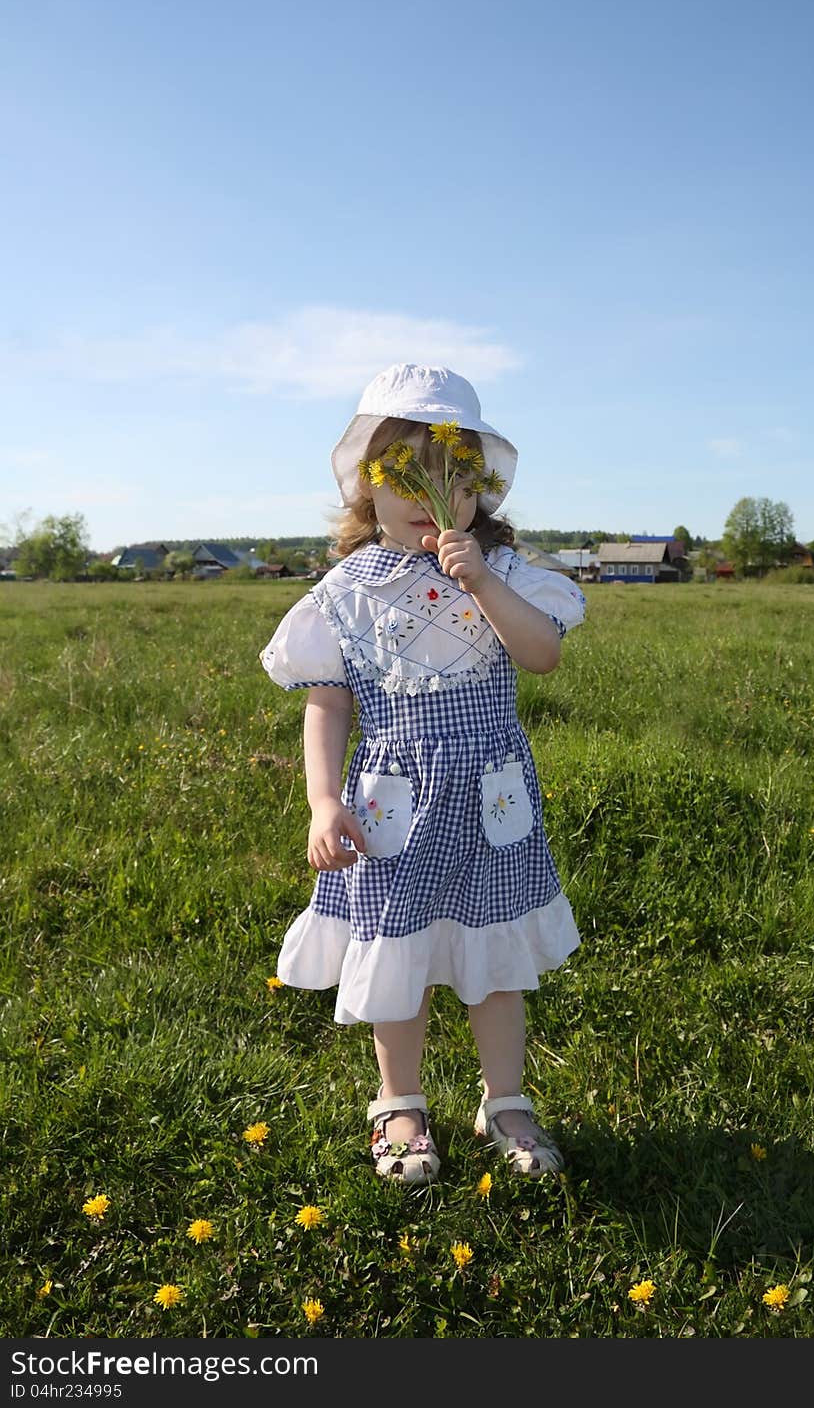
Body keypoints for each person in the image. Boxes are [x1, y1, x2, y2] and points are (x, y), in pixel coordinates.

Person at [259, 363, 586, 1184]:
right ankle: (398, 1101)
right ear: (369, 489)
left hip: (489, 801)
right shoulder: (345, 593)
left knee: (496, 960)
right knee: (395, 961)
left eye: (453, 477)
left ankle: (504, 1098)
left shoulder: (507, 576)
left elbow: (541, 656)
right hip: (392, 812)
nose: (431, 496)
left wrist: (477, 577)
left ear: (478, 492)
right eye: (404, 476)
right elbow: (327, 703)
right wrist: (322, 800)